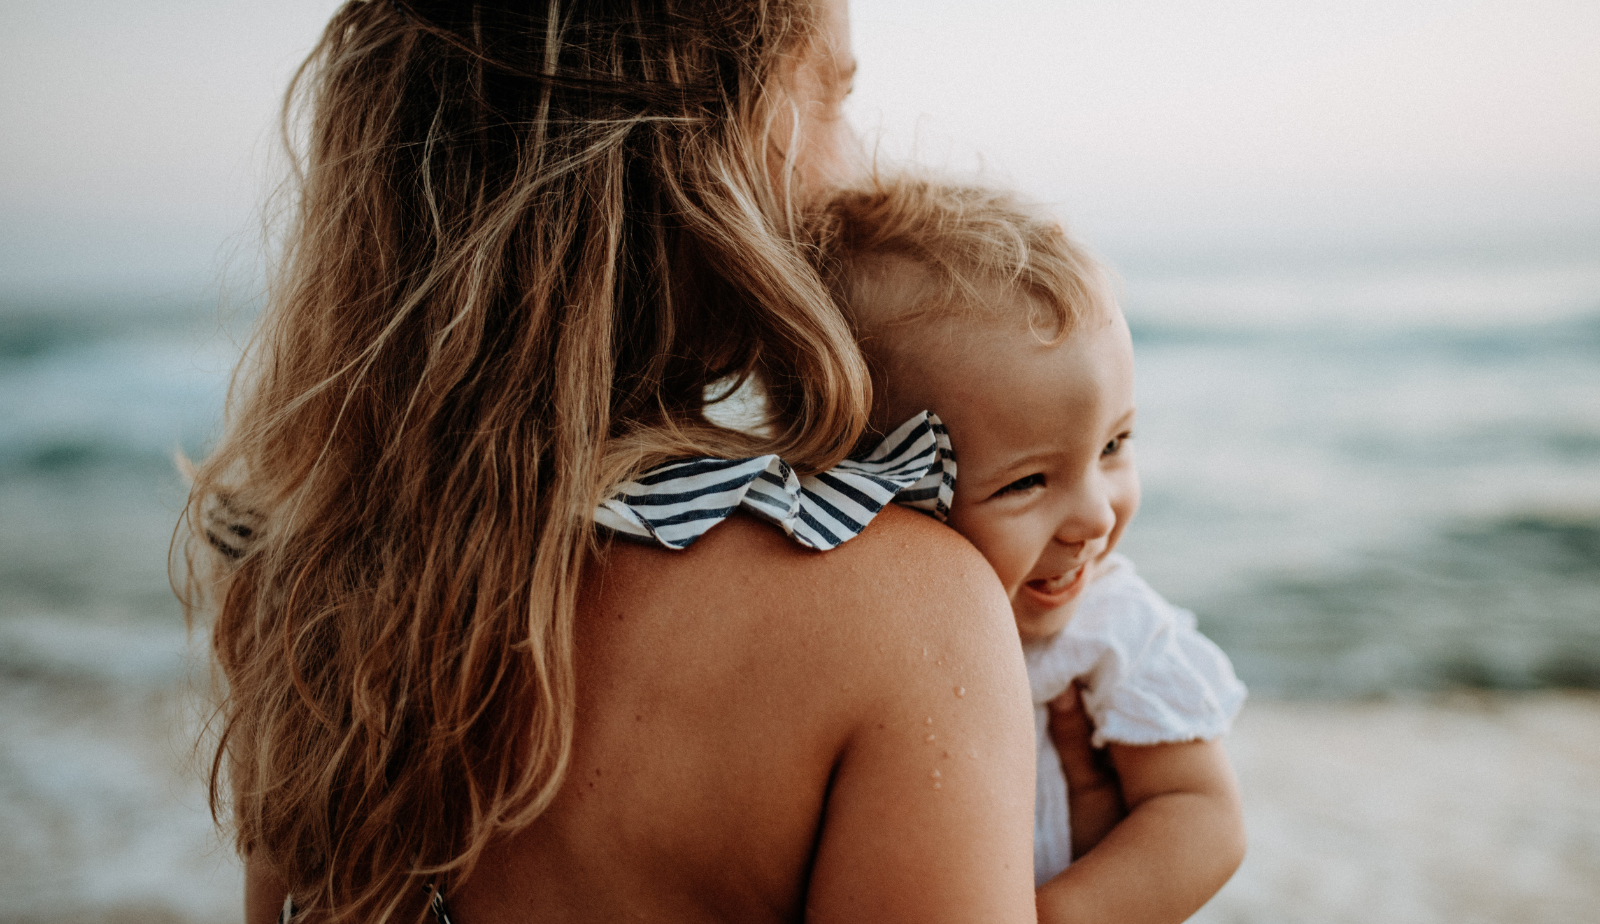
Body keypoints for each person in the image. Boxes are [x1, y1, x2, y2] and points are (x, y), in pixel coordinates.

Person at [181, 2, 1043, 922]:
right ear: (701, 147)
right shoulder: (908, 617)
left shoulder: (311, 589)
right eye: (832, 96)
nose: (860, 170)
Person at [808, 175, 1249, 924]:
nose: (1096, 516)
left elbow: (1203, 815)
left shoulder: (1109, 626)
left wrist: (1060, 914)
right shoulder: (844, 630)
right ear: (884, 486)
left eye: (1114, 445)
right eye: (1027, 482)